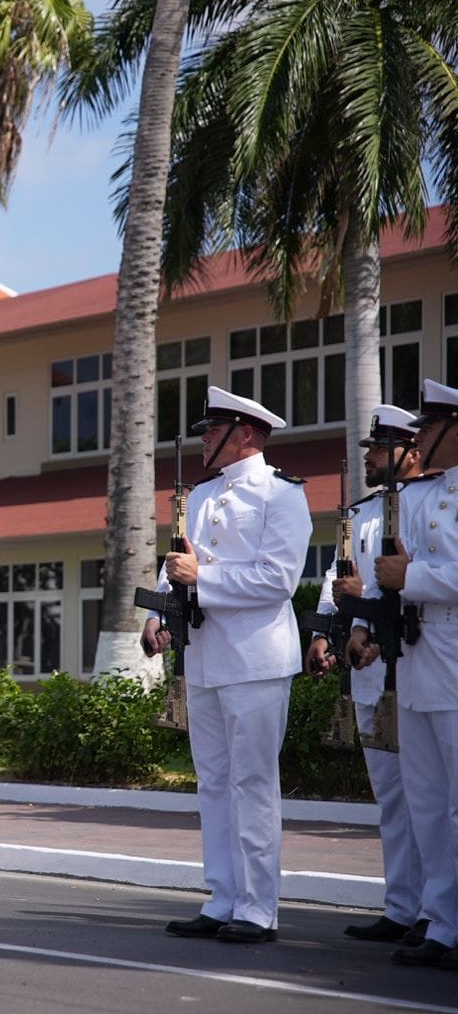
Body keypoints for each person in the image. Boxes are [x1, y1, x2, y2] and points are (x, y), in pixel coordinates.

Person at [139, 387, 310, 943]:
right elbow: (178, 562)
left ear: (246, 436)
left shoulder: (279, 495)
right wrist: (162, 610)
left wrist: (201, 581)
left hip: (256, 659)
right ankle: (222, 897)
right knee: (213, 783)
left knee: (253, 784)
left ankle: (259, 908)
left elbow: (278, 579)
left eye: (214, 430)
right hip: (207, 658)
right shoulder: (205, 494)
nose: (204, 437)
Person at [308, 405, 429, 943]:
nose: (373, 458)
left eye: (382, 449)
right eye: (372, 449)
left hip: (408, 666)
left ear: (413, 452)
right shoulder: (359, 513)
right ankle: (402, 907)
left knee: (429, 798)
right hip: (365, 673)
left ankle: (435, 912)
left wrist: (369, 620)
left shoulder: (426, 509)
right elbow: (338, 576)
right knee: (391, 799)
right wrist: (322, 632)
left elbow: (401, 586)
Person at [373, 379, 458, 968]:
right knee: (427, 803)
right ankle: (442, 923)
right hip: (419, 658)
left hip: (454, 661)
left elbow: (423, 572)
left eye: (430, 427)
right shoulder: (424, 495)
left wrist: (414, 579)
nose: (420, 437)